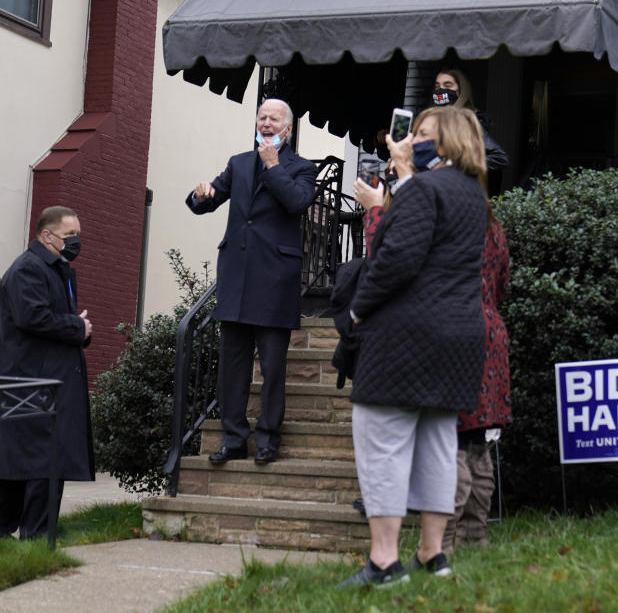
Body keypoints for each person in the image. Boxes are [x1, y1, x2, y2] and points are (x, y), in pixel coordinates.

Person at [338, 106, 488, 587]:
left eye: (424, 134)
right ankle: (432, 555)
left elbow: (397, 256)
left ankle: (383, 562)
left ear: (445, 143)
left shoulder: (424, 188)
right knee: (438, 446)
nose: (412, 140)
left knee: (382, 440)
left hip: (406, 334)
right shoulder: (474, 196)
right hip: (460, 335)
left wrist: (359, 308)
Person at [355, 142, 512, 558]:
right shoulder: (489, 223)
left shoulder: (432, 208)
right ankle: (472, 536)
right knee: (477, 441)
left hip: (440, 329)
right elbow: (502, 282)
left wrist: (376, 210)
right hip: (486, 333)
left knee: (447, 441)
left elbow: (392, 259)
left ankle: (436, 543)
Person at [186, 98, 319, 466]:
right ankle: (233, 439)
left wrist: (273, 167)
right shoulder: (238, 163)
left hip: (275, 281)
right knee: (233, 368)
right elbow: (208, 200)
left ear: (288, 129)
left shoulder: (302, 168)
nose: (266, 122)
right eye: (262, 117)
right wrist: (200, 196)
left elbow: (296, 203)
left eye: (274, 119)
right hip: (237, 279)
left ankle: (268, 440)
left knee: (273, 369)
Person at [0, 206, 94, 539]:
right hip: (31, 385)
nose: (76, 242)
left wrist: (80, 329)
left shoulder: (55, 269)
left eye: (78, 234)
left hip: (49, 384)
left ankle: (31, 540)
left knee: (41, 464)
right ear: (46, 235)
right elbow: (32, 318)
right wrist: (76, 326)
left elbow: (53, 321)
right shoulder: (29, 269)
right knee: (36, 464)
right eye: (70, 235)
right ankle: (34, 539)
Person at [431, 68, 508, 171]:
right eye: (437, 86)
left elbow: (499, 158)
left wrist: (459, 166)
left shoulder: (467, 120)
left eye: (448, 85)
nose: (441, 89)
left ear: (461, 90)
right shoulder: (432, 120)